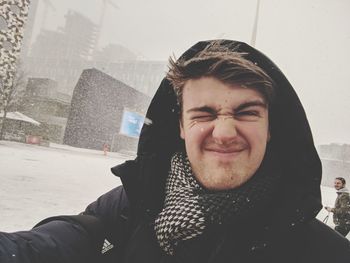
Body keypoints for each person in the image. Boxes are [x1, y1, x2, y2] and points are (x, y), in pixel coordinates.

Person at [1, 40, 350, 263]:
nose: (225, 132)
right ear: (181, 127)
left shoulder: (325, 253)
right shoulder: (129, 206)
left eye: (246, 112)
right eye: (204, 114)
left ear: (270, 128)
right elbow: (61, 242)